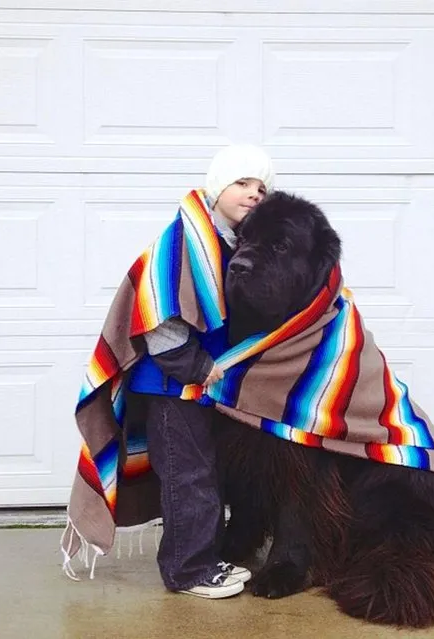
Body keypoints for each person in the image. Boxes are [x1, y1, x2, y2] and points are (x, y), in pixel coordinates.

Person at [127, 145, 275, 598]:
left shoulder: (229, 243)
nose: (253, 194)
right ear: (217, 187)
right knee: (187, 475)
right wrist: (196, 366)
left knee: (208, 473)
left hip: (205, 384)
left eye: (261, 187)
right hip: (175, 385)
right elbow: (159, 315)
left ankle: (206, 555)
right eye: (242, 183)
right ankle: (187, 570)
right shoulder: (183, 241)